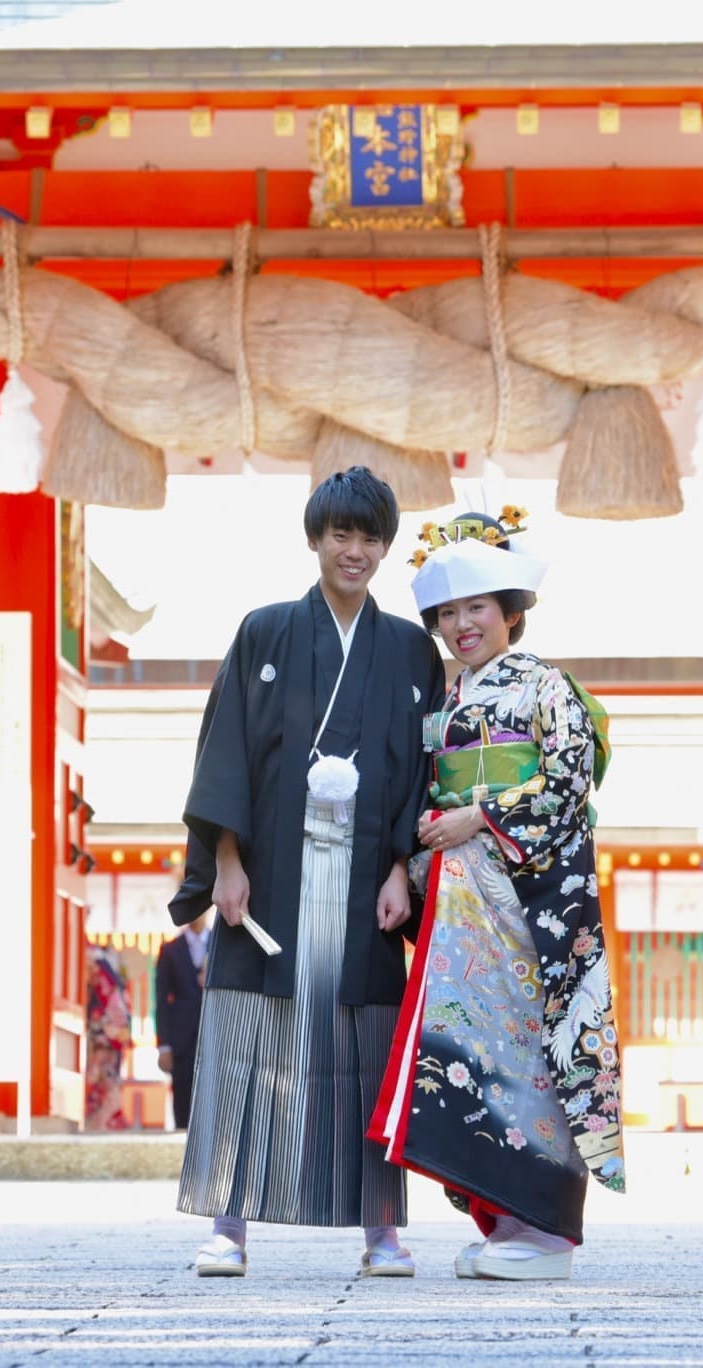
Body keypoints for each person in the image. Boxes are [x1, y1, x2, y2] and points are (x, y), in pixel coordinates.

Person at [169, 466, 446, 1279]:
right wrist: (224, 860)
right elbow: (225, 749)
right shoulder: (266, 631)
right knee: (248, 1037)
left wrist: (403, 867)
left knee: (365, 1049)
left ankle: (382, 1231)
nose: (353, 551)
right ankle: (229, 1224)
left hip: (366, 879)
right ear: (315, 539)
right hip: (272, 878)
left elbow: (423, 772)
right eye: (340, 534)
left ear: (386, 547)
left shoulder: (406, 649)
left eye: (369, 537)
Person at [370, 507, 626, 1281]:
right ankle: (502, 1217)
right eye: (447, 613)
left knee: (529, 1051)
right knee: (468, 1056)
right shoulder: (444, 705)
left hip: (529, 903)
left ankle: (547, 1231)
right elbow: (419, 801)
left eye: (476, 608)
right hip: (459, 907)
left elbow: (570, 782)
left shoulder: (548, 688)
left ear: (512, 611)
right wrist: (409, 861)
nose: (461, 625)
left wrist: (479, 814)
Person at [154, 911, 211, 1128]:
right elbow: (161, 999)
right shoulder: (170, 950)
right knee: (183, 1095)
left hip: (214, 1033)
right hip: (181, 1039)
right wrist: (164, 1046)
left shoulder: (220, 945)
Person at [84, 944, 134, 1132]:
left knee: (103, 1078)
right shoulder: (98, 959)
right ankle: (101, 1122)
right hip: (104, 1031)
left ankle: (102, 1122)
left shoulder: (95, 958)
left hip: (104, 1030)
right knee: (101, 1079)